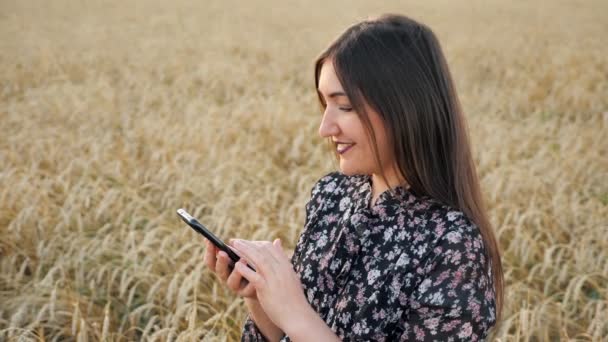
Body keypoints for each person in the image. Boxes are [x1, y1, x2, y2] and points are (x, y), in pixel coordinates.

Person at [203, 13, 504, 341]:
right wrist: (261, 296)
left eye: (344, 107)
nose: (325, 128)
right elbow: (288, 336)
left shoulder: (453, 248)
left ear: (404, 108)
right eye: (324, 105)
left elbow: (301, 324)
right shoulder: (332, 194)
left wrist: (294, 311)